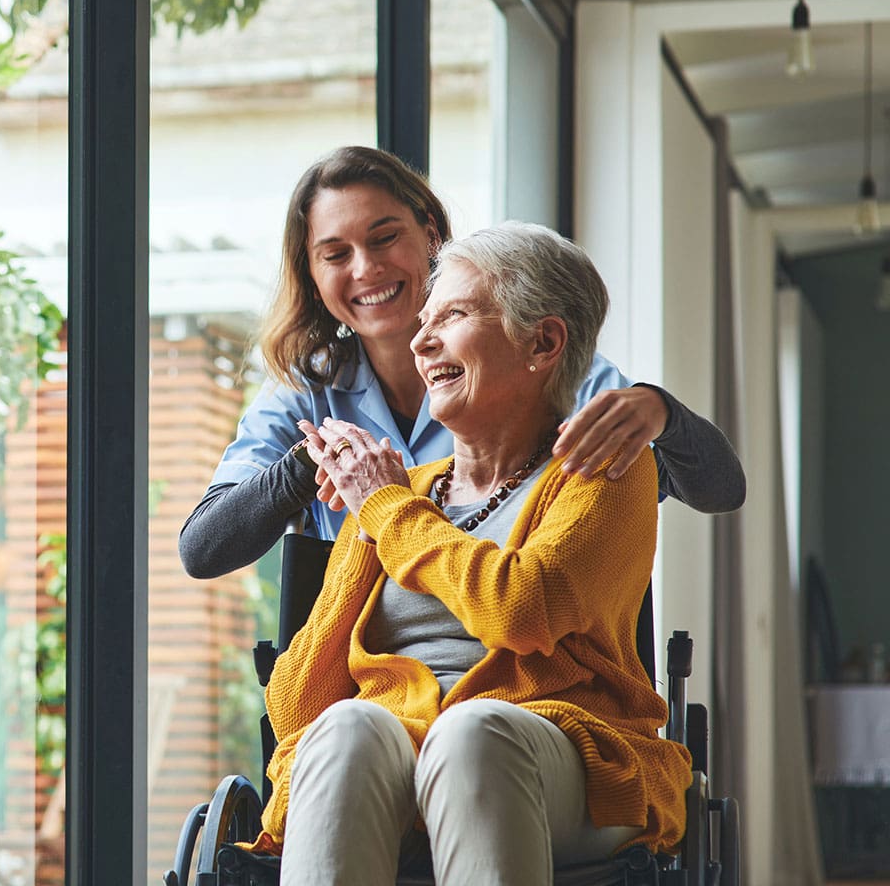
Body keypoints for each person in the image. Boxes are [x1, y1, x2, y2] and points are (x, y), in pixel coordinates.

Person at [250, 222, 693, 885]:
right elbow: (295, 708)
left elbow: (524, 607)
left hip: (568, 755)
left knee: (473, 734)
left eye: (451, 316)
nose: (419, 341)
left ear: (542, 342)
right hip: (399, 756)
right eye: (422, 321)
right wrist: (370, 527)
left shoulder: (605, 470)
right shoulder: (399, 494)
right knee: (343, 730)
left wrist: (386, 511)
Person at [179, 146, 744, 579]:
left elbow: (719, 489)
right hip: (369, 677)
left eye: (384, 239)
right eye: (335, 254)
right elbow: (203, 550)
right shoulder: (309, 391)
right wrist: (309, 465)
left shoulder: (540, 361)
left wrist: (659, 411)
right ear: (311, 272)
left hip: (525, 667)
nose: (366, 269)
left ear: (431, 234)